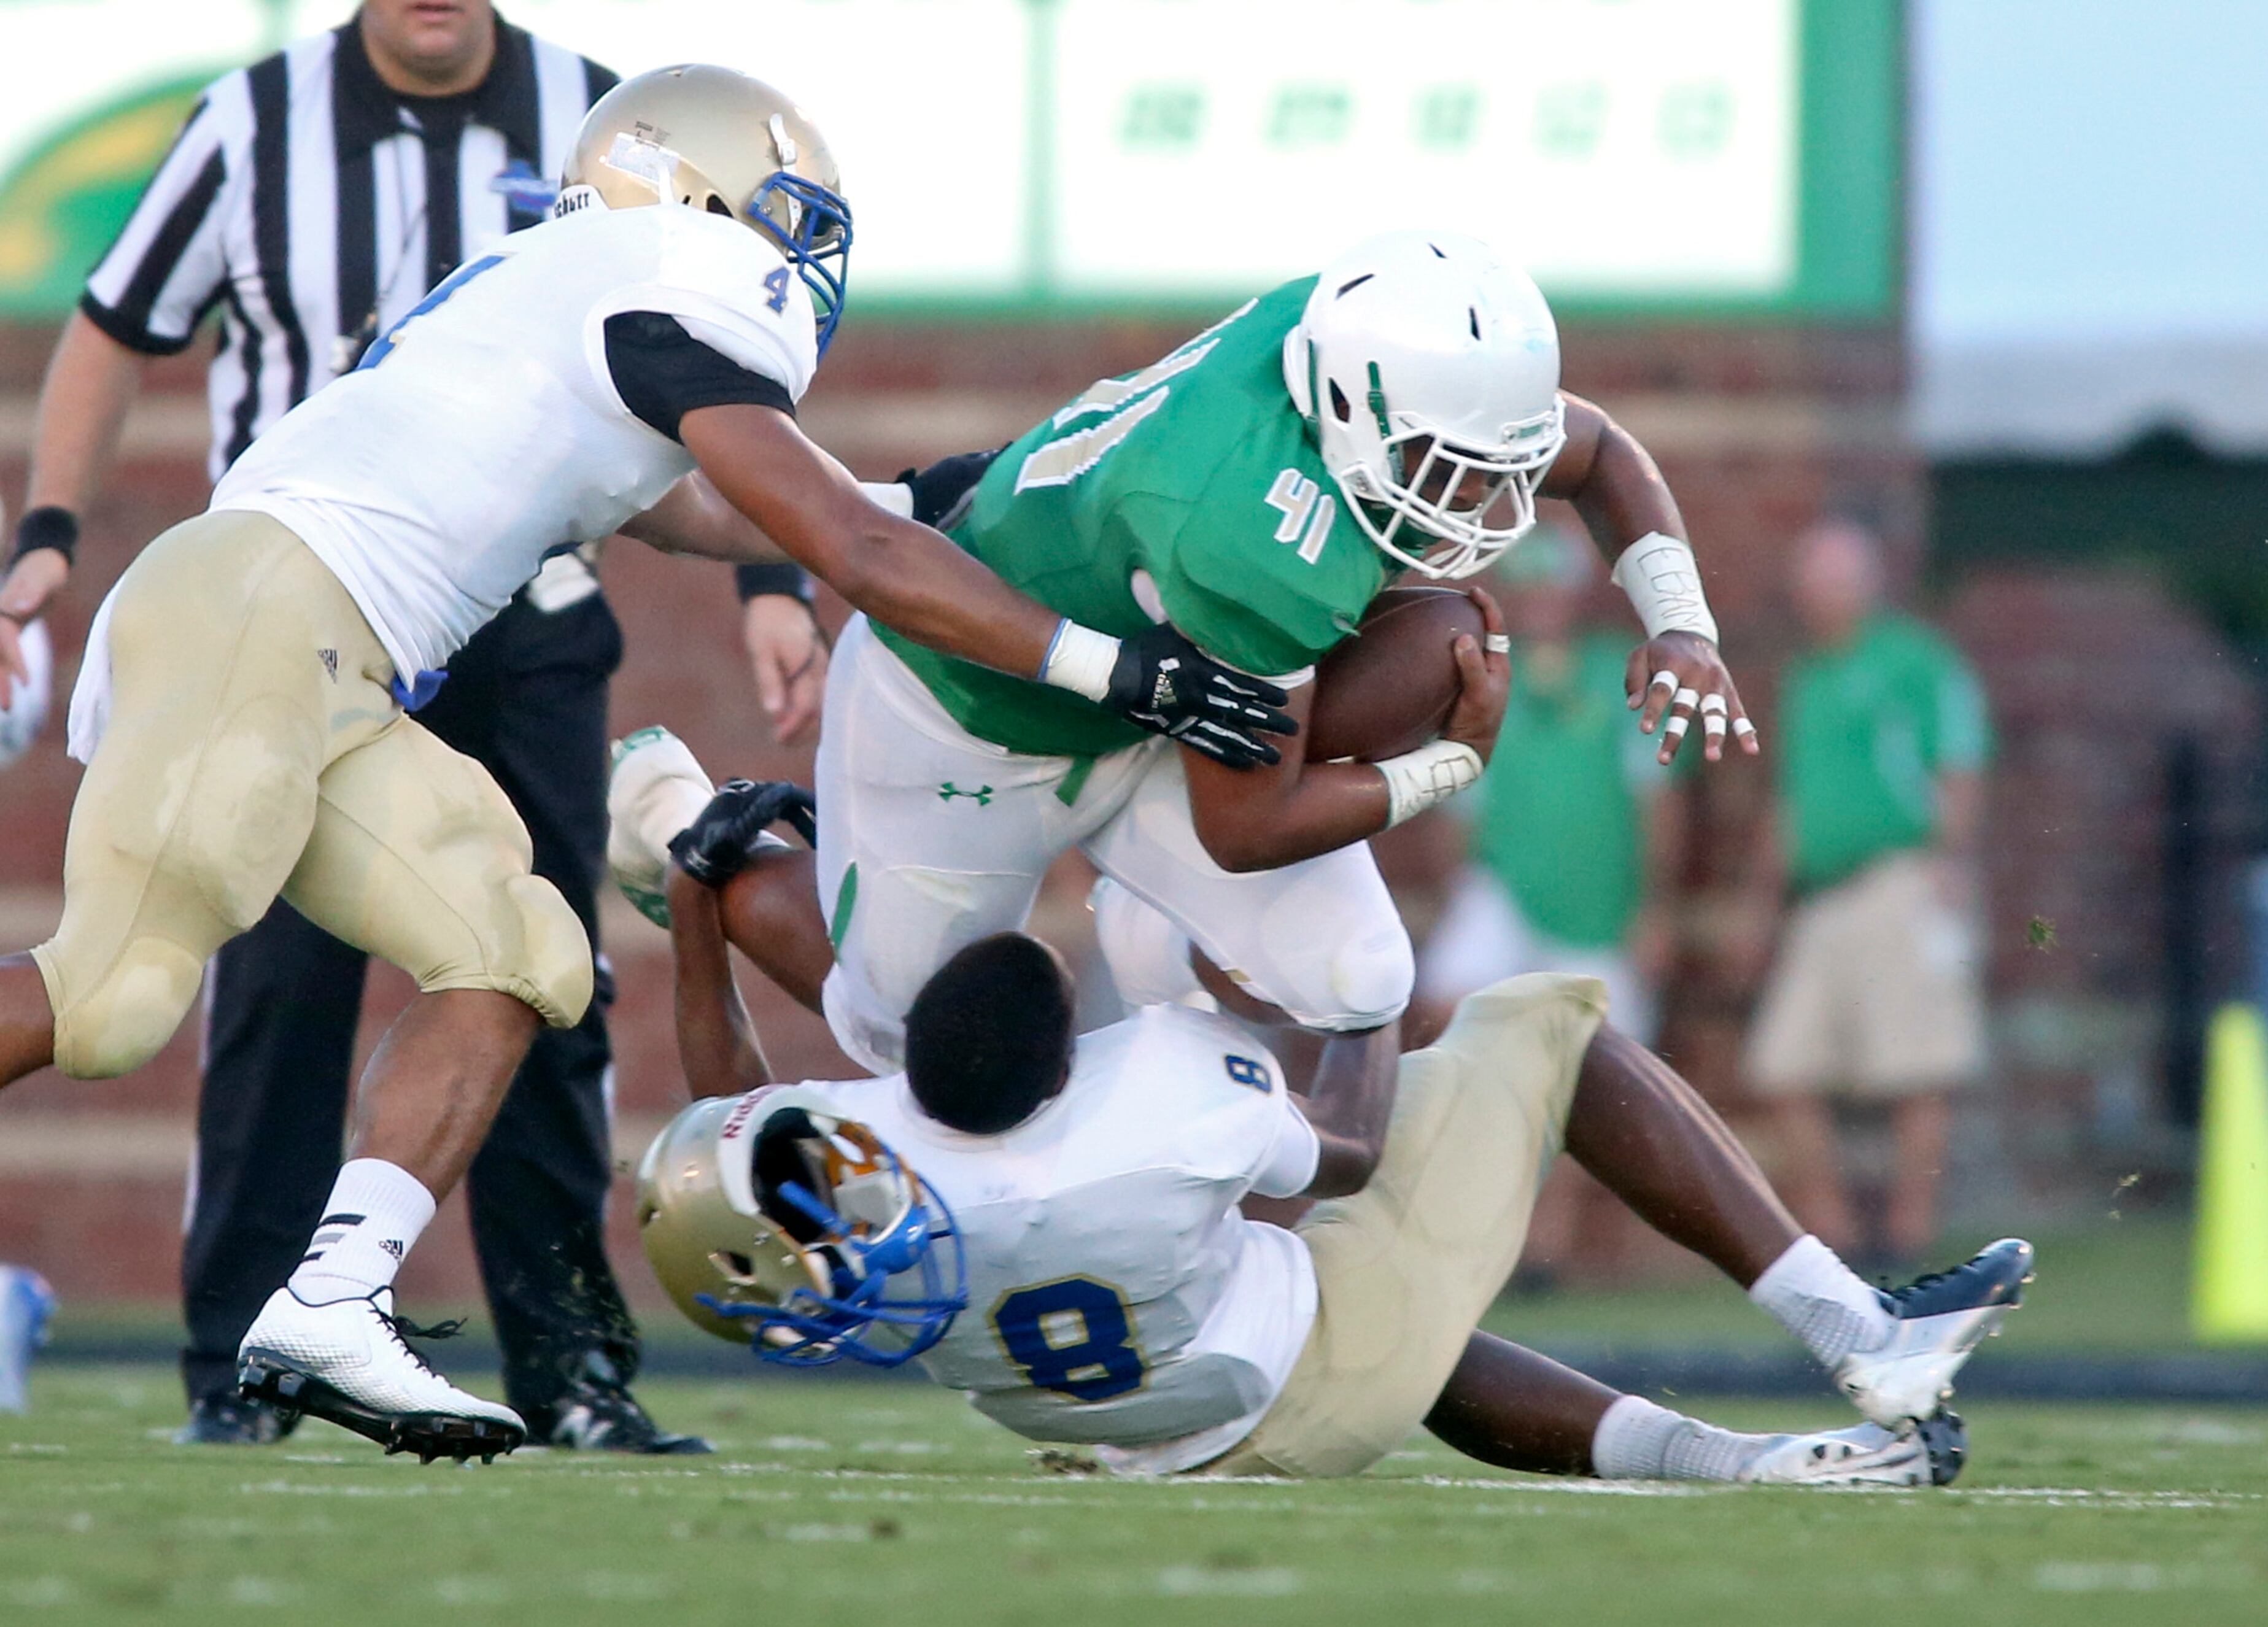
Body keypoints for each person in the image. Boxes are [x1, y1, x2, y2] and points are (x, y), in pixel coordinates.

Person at [0, 63, 1289, 1464]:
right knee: (119, 995)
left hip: (338, 660)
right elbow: (845, 553)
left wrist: (937, 488)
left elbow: (705, 516)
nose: (797, 256)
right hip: (263, 603)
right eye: (780, 216)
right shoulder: (662, 267)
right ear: (699, 197)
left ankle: (331, 1303)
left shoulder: (574, 297)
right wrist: (1116, 668)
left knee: (518, 957)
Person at [0, 0, 727, 1452]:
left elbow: (693, 408)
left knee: (536, 958)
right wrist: (46, 532)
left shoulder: (608, 117)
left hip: (517, 609)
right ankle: (237, 1364)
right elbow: (111, 325)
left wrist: (801, 563)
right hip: (283, 599)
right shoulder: (252, 121)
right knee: (180, 994)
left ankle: (460, 1339)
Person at [633, 228, 1758, 1086]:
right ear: (1352, 412)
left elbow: (1598, 450)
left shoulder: (1354, 353)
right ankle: (697, 846)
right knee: (908, 1041)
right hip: (968, 718)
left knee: (1362, 977)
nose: (1482, 499)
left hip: (1164, 696)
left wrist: (1682, 623)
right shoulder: (1256, 533)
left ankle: (1154, 955)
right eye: (1449, 463)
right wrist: (1448, 768)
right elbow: (1249, 826)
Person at [627, 804, 2032, 1487]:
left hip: (1127, 1430)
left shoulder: (868, 1216)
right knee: (1539, 1021)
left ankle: (1770, 1459)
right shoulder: (1159, 1097)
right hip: (1291, 1370)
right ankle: (1852, 1325)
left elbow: (736, 1102)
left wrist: (698, 913)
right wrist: (1368, 978)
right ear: (1065, 1051)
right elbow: (1347, 1149)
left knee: (1362, 1292)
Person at [1415, 524, 1688, 1281]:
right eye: (1526, 585)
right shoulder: (1485, 684)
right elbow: (1459, 808)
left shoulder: (1620, 676)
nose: (1539, 601)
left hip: (1601, 903)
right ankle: (1461, 1204)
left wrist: (1655, 910)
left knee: (1590, 1072)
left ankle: (1546, 1247)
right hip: (1503, 890)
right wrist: (1452, 893)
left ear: (1575, 592)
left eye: (1550, 585)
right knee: (1442, 1001)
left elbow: (1658, 803)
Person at [1743, 517, 1992, 1270]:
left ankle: (1907, 1237)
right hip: (1823, 895)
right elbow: (1792, 801)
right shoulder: (1803, 678)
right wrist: (1762, 899)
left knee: (1916, 1067)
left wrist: (1950, 856)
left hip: (1898, 878)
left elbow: (1960, 762)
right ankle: (1838, 1237)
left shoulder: (1915, 662)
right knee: (1784, 1067)